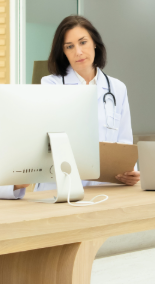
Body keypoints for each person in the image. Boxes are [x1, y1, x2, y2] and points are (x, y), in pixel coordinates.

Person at [40, 15, 140, 186]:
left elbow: (124, 143)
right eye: (69, 46)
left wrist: (130, 172)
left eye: (83, 42)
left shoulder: (117, 89)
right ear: (63, 52)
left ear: (95, 43)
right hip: (62, 185)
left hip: (106, 188)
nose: (78, 52)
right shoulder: (51, 84)